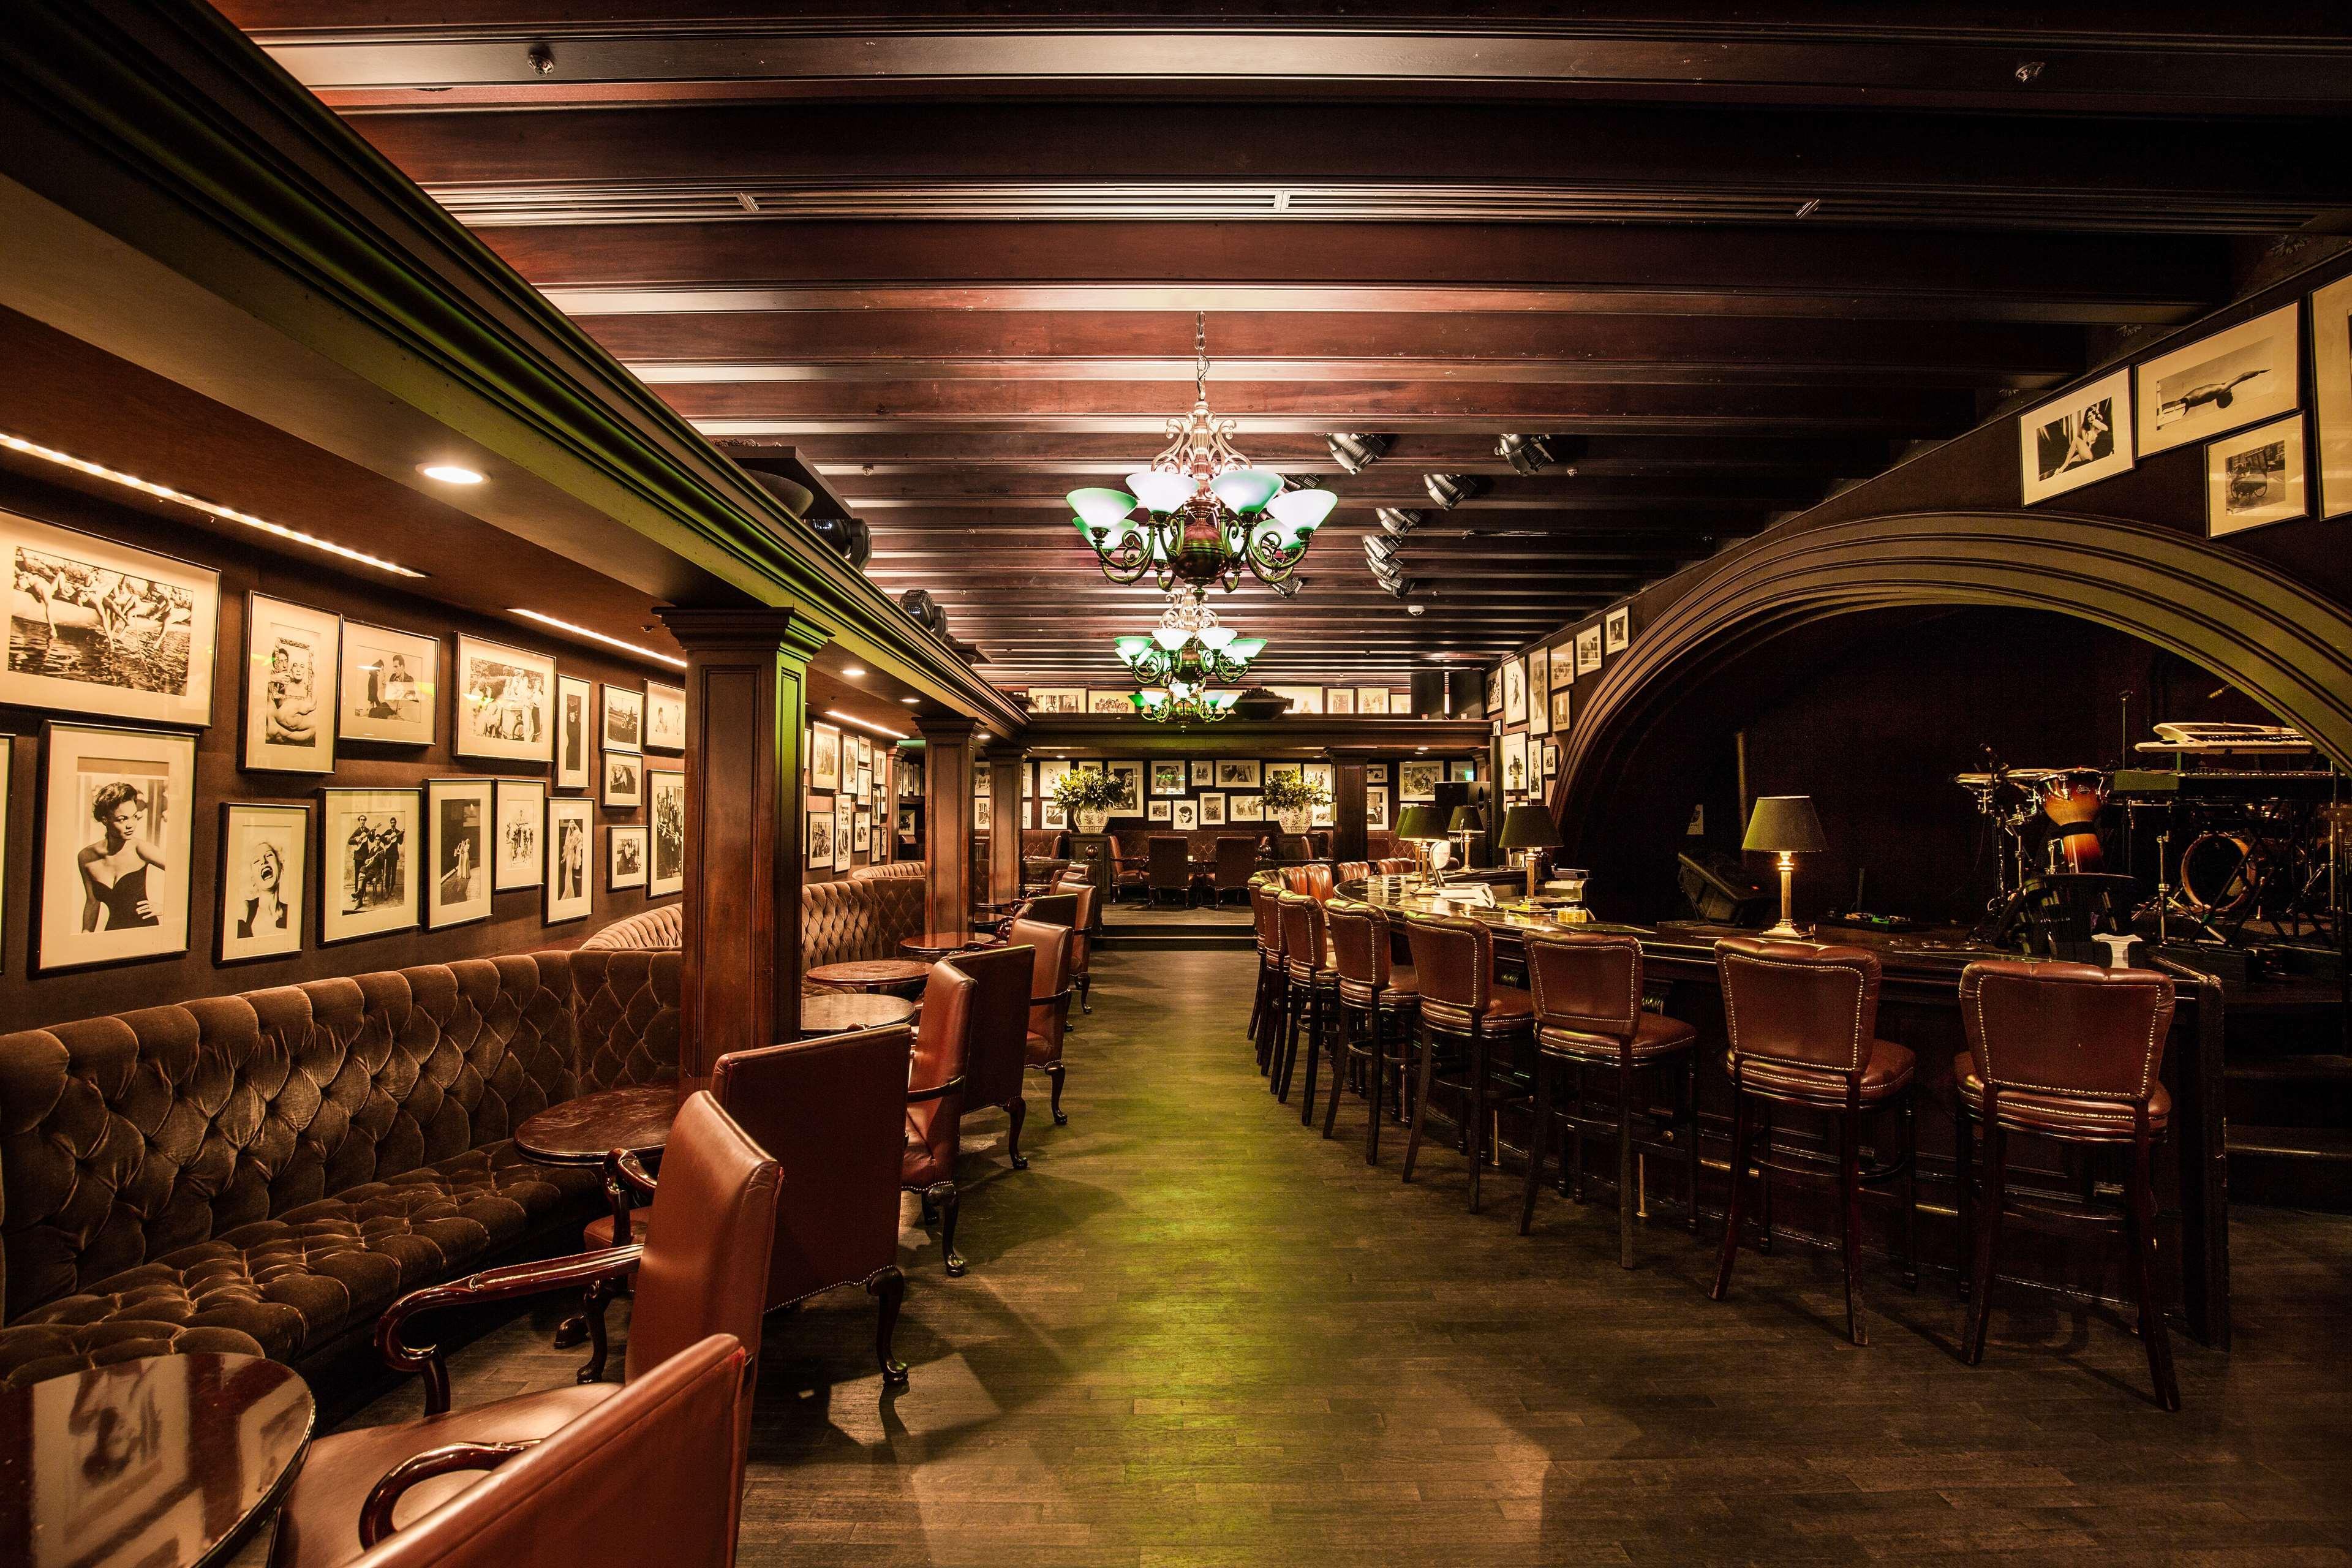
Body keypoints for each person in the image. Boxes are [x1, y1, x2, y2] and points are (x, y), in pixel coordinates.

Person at [78, 780, 164, 931]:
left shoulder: (141, 849)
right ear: (105, 820)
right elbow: (92, 902)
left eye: (134, 817)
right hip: (113, 933)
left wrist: (166, 907)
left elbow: (186, 873)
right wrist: (84, 936)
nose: (131, 824)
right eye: (122, 819)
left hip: (146, 932)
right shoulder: (86, 857)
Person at [236, 840, 288, 938]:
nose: (264, 861)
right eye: (256, 861)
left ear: (280, 865)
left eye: (269, 855)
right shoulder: (245, 910)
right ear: (252, 878)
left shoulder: (292, 912)